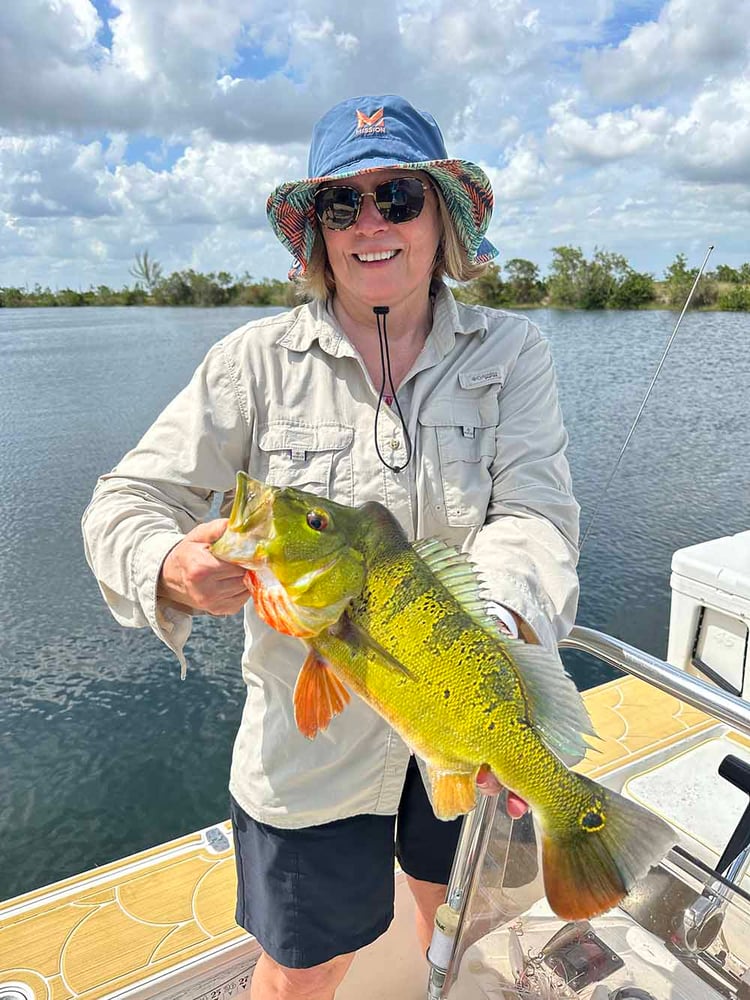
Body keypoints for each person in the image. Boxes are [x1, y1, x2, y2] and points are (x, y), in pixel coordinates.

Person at [82, 94, 579, 999]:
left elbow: (537, 514)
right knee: (298, 973)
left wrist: (493, 629)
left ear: (442, 216)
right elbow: (125, 500)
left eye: (397, 195)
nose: (370, 224)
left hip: (464, 728)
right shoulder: (250, 362)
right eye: (340, 205)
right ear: (315, 233)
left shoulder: (513, 353)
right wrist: (168, 566)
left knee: (464, 921)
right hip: (305, 756)